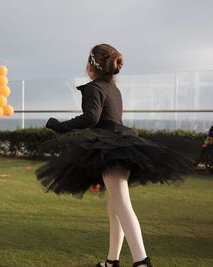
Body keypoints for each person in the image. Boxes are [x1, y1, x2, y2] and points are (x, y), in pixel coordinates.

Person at [36, 44, 192, 267]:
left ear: (91, 65)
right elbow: (107, 121)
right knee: (115, 207)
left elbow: (91, 117)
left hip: (111, 150)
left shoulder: (93, 88)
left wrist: (60, 127)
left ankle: (141, 262)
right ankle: (111, 262)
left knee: (122, 205)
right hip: (120, 145)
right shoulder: (114, 90)